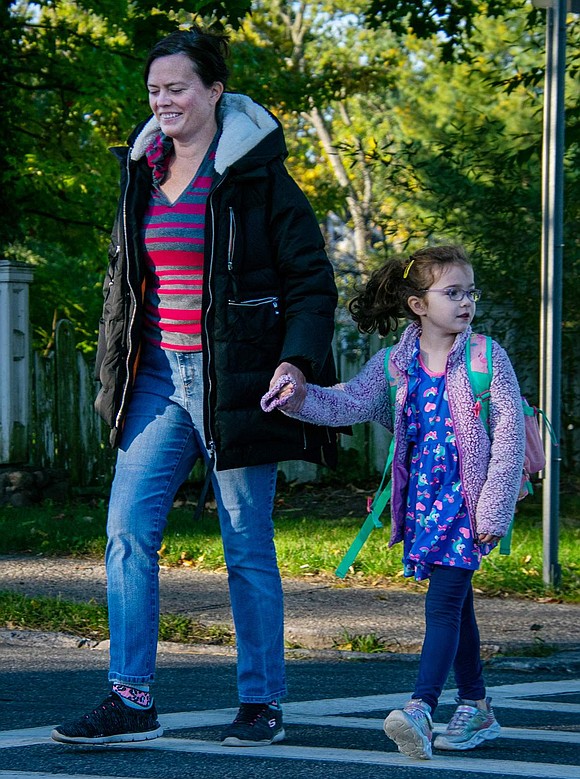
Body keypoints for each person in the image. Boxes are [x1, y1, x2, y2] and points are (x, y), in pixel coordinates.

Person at [51, 26, 339, 747]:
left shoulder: (255, 176)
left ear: (214, 91)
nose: (163, 99)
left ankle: (261, 701)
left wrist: (295, 362)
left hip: (235, 378)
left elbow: (311, 281)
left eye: (177, 87)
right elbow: (128, 282)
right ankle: (129, 696)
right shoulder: (142, 169)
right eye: (155, 89)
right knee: (126, 534)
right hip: (155, 376)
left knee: (246, 542)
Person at [262, 245, 525, 759]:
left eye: (470, 292)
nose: (466, 301)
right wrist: (296, 396)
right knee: (458, 606)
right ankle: (477, 705)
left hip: (468, 506)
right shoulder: (395, 365)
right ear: (417, 305)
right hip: (425, 504)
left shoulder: (485, 357)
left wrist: (494, 508)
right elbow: (346, 402)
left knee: (444, 605)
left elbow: (510, 436)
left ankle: (421, 709)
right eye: (452, 292)